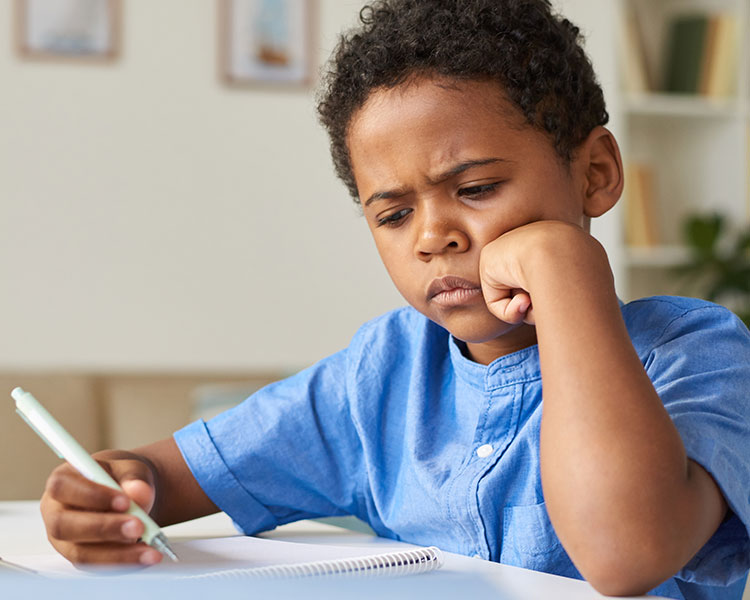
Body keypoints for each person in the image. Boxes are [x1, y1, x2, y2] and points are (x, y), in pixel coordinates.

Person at [39, 1, 750, 598]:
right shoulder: (378, 378)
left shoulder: (695, 352)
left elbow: (626, 554)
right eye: (393, 215)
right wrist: (111, 493)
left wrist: (565, 269)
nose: (433, 237)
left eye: (474, 190)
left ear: (595, 173)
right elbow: (165, 475)